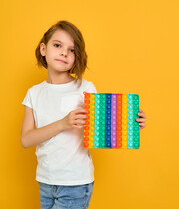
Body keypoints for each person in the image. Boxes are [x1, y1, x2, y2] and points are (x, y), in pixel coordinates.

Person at [21, 20, 147, 209]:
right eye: (57, 45)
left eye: (72, 50)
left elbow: (104, 126)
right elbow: (26, 139)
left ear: (77, 56)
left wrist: (132, 122)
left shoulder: (85, 88)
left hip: (75, 182)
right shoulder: (34, 93)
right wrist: (63, 124)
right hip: (45, 181)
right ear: (43, 49)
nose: (64, 52)